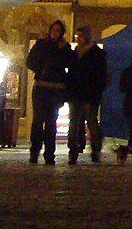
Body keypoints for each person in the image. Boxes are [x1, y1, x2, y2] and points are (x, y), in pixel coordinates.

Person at [26, 20, 73, 165]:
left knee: (51, 122)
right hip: (41, 87)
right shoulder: (41, 45)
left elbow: (70, 65)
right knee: (38, 120)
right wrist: (40, 69)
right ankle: (34, 152)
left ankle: (49, 154)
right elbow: (30, 61)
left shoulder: (65, 48)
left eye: (58, 30)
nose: (55, 32)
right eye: (53, 30)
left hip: (56, 89)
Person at [66, 26, 107, 165]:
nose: (78, 39)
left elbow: (101, 76)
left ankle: (95, 150)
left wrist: (96, 92)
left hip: (90, 94)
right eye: (77, 36)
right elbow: (71, 73)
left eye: (81, 36)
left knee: (91, 122)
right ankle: (73, 151)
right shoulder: (75, 52)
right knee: (74, 123)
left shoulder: (96, 53)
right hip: (75, 94)